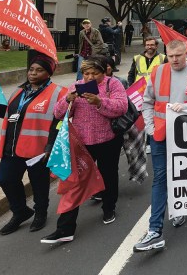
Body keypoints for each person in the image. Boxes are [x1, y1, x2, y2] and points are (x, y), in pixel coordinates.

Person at [134, 40, 187, 252]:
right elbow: (147, 101)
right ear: (166, 55)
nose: (175, 60)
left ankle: (179, 207)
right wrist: (150, 128)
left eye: (179, 55)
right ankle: (155, 231)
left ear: (186, 53)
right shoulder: (158, 72)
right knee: (160, 177)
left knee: (184, 175)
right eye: (171, 56)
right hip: (160, 134)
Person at [42, 56, 128, 244]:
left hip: (107, 140)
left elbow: (122, 107)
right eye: (86, 73)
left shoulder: (112, 84)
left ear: (103, 72)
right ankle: (65, 228)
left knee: (108, 175)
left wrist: (99, 102)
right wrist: (67, 100)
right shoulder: (76, 86)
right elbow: (58, 113)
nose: (89, 77)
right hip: (81, 142)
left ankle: (108, 207)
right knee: (74, 183)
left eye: (94, 74)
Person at [0, 54, 66, 235]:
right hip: (12, 147)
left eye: (39, 70)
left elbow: (60, 122)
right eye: (31, 70)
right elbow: (10, 114)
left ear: (48, 73)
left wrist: (51, 145)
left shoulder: (59, 92)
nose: (33, 73)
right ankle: (20, 212)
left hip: (39, 149)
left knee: (39, 184)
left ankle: (40, 213)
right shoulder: (19, 91)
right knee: (5, 179)